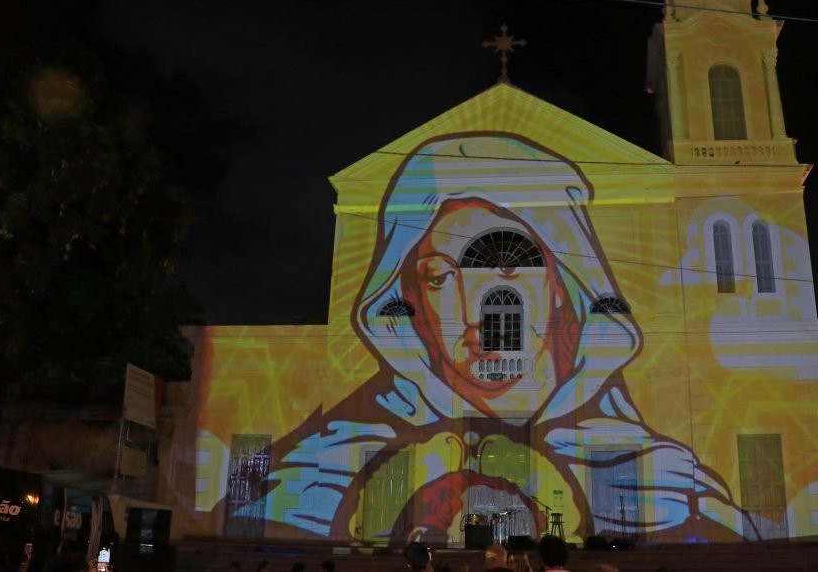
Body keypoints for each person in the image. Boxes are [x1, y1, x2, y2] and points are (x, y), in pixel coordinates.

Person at [263, 133, 754, 544]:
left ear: (563, 284)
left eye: (507, 262)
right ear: (407, 297)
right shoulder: (332, 460)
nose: (474, 314)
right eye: (438, 278)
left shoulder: (655, 471)